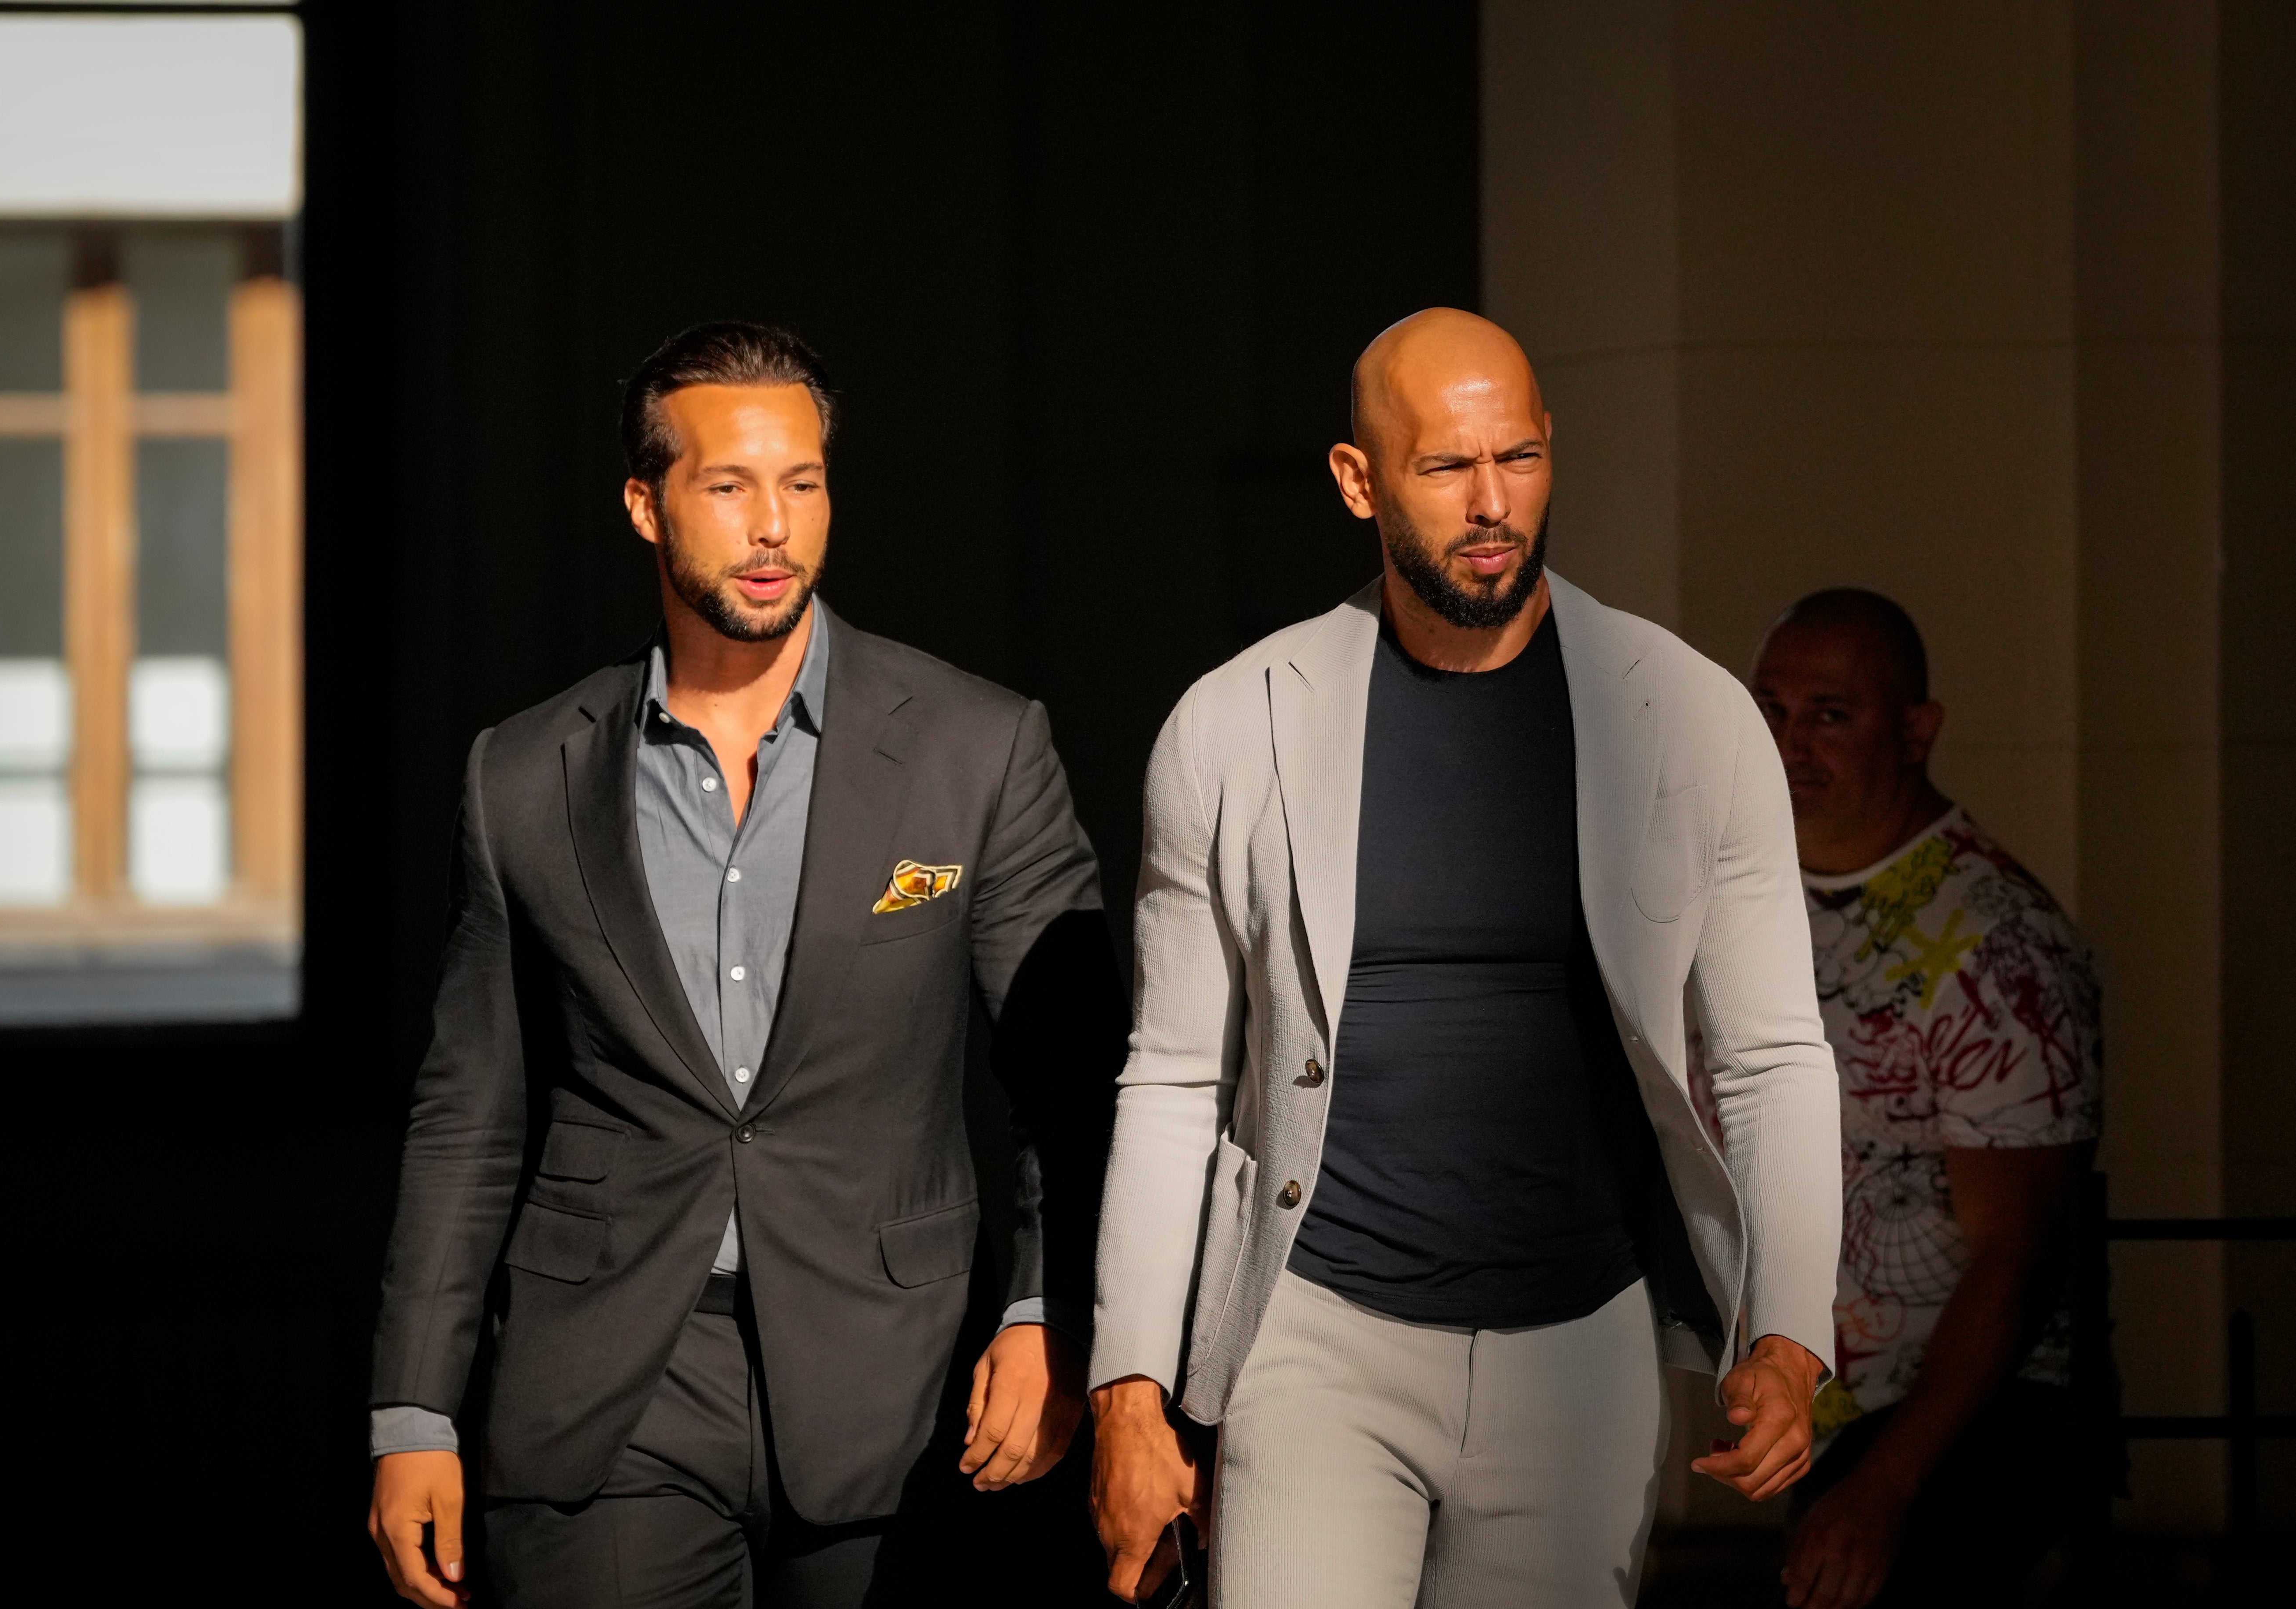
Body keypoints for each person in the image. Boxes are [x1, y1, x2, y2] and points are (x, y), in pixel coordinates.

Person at [1087, 307, 1842, 1608]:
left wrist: (1786, 1332)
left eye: (1520, 459)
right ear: (1358, 479)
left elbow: (1773, 1051)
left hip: (1580, 1351)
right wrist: (1130, 1390)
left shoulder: (1687, 716)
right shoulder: (1232, 726)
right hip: (1315, 1335)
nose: (1492, 503)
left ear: (1551, 447)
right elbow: (1169, 1078)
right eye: (1446, 468)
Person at [363, 321, 1123, 1608]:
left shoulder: (975, 747)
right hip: (610, 1385)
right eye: (729, 486)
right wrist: (412, 1408)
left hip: (902, 1377)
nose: (773, 526)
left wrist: (1049, 1311)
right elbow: (468, 1118)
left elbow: (1071, 1072)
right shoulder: (523, 776)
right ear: (645, 506)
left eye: (803, 483)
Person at [1752, 590, 2101, 1609]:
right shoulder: (1747, 895)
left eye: (1830, 713)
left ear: (1915, 730)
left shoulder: (1998, 943)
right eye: (1771, 708)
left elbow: (2017, 1252)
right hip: (1813, 1410)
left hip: (1962, 1429)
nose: (1789, 742)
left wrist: (1886, 1486)